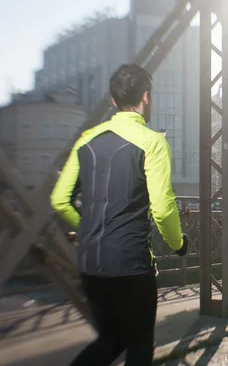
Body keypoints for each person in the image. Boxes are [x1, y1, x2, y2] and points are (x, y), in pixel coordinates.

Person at [50, 64, 188, 366]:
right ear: (147, 96)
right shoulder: (152, 142)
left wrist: (86, 228)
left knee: (110, 340)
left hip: (90, 263)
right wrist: (178, 244)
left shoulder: (86, 139)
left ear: (113, 101)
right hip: (131, 264)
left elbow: (60, 200)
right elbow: (163, 209)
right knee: (139, 345)